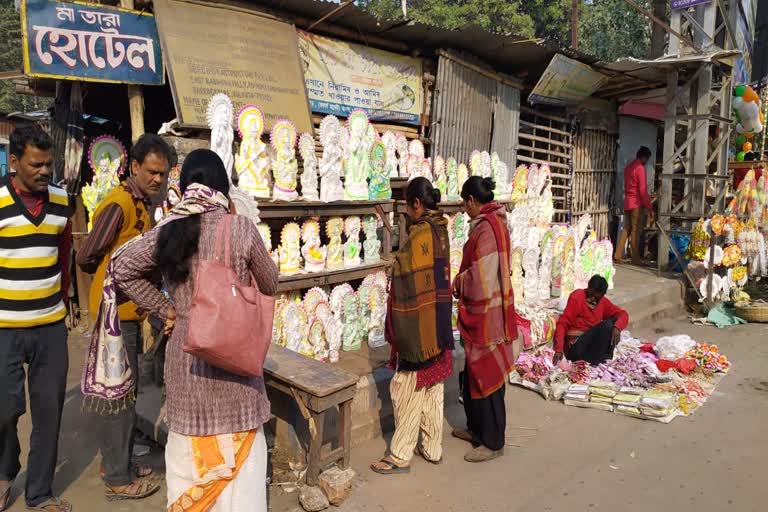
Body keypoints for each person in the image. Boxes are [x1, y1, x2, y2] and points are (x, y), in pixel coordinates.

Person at [113, 149, 278, 511]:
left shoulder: (171, 228)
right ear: (223, 188)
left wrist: (166, 307)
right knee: (241, 486)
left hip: (187, 372)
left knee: (189, 475)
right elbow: (270, 281)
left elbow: (120, 267)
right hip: (238, 379)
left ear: (184, 187)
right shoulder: (240, 228)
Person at [76, 133, 171, 500]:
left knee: (126, 393)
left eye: (162, 174)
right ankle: (117, 477)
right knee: (120, 395)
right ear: (133, 167)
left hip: (128, 310)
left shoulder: (142, 204)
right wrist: (111, 272)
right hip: (115, 313)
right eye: (151, 172)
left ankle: (117, 460)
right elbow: (86, 255)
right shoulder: (120, 205)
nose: (157, 180)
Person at [0, 125, 72, 512]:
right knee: (3, 409)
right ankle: (5, 469)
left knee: (49, 411)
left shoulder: (61, 200)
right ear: (14, 163)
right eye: (36, 164)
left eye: (49, 164)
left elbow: (64, 253)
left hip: (49, 327)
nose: (45, 171)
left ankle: (39, 492)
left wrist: (63, 303)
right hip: (4, 328)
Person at [371, 177, 453, 475]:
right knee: (432, 386)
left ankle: (400, 454)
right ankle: (432, 448)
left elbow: (406, 277)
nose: (406, 210)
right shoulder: (440, 228)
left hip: (419, 327)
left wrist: (394, 264)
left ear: (416, 204)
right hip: (437, 324)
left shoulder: (421, 235)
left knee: (407, 386)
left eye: (407, 204)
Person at [453, 176, 518, 464]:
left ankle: (493, 441)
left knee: (487, 374)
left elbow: (482, 277)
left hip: (487, 313)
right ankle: (477, 430)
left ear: (471, 200)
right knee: (472, 374)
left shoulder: (488, 229)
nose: (464, 209)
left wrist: (459, 280)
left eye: (464, 203)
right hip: (487, 309)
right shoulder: (493, 222)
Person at [552, 275, 629, 366]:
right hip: (575, 348)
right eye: (590, 295)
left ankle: (600, 362)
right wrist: (559, 349)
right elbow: (563, 323)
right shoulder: (577, 297)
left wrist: (617, 327)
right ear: (588, 288)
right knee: (606, 326)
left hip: (591, 348)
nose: (592, 300)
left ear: (602, 295)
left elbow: (623, 314)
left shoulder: (603, 302)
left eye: (596, 298)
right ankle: (596, 361)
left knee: (611, 324)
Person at [614, 146, 654, 264]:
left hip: (627, 202)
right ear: (644, 157)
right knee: (635, 231)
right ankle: (635, 258)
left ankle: (617, 255)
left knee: (627, 228)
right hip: (636, 204)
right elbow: (642, 190)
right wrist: (649, 207)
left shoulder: (628, 167)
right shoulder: (640, 168)